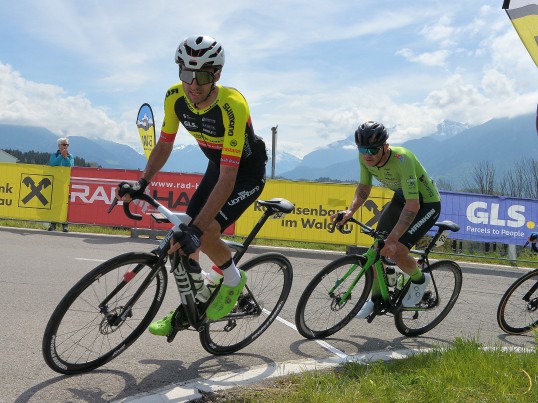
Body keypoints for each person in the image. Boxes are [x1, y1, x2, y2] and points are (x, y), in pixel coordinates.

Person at [116, 35, 267, 335]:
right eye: (187, 74)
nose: (193, 84)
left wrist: (199, 230)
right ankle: (193, 306)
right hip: (217, 166)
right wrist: (142, 181)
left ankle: (234, 281)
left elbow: (229, 177)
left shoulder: (232, 105)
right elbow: (164, 144)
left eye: (202, 76)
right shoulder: (174, 97)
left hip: (244, 173)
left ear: (217, 75)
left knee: (205, 231)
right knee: (180, 244)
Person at [334, 121, 441, 318]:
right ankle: (376, 299)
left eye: (373, 150)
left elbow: (413, 206)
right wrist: (350, 211)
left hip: (425, 205)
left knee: (397, 250)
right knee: (377, 248)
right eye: (363, 149)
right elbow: (364, 188)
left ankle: (419, 280)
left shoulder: (403, 159)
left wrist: (393, 239)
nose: (368, 154)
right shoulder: (364, 157)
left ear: (385, 147)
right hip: (401, 200)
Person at [48, 137, 74, 232]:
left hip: (65, 184)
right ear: (59, 146)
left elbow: (70, 166)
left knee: (65, 204)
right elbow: (52, 163)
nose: (66, 146)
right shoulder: (54, 155)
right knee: (55, 203)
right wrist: (60, 156)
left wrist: (65, 157)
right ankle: (53, 224)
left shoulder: (70, 156)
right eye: (64, 144)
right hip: (55, 183)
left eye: (67, 144)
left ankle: (65, 224)